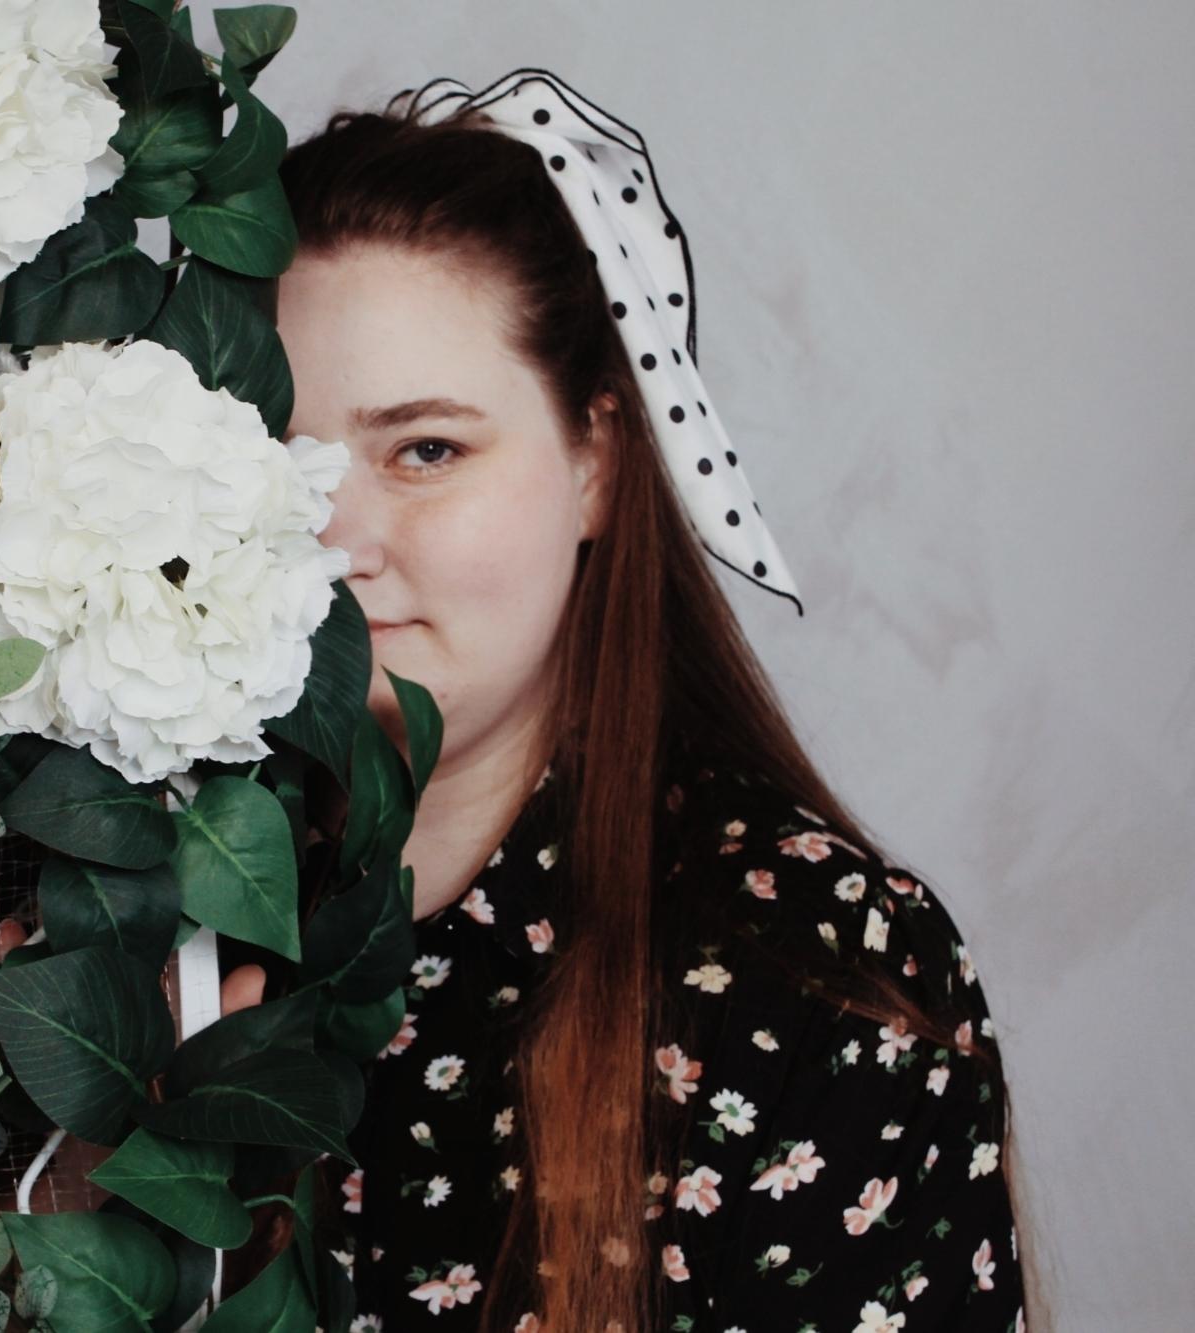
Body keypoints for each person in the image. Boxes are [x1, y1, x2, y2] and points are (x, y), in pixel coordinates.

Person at [258, 70, 1032, 1332]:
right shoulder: (125, 923)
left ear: (597, 462)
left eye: (425, 450)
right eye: (276, 462)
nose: (336, 542)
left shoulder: (816, 978)